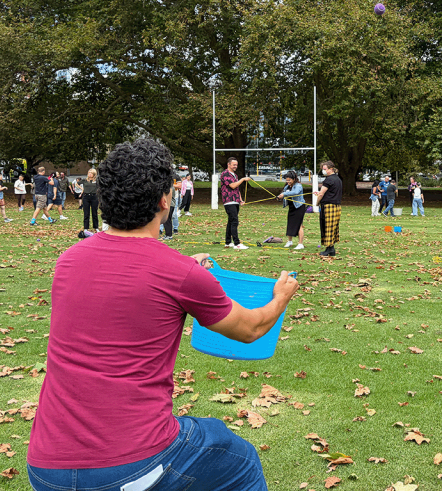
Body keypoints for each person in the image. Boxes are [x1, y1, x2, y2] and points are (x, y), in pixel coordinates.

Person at [26, 138, 299, 491]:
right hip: (130, 463)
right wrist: (280, 298)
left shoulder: (69, 260)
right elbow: (250, 329)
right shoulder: (180, 276)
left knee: (211, 439)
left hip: (46, 466)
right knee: (240, 458)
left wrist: (185, 268)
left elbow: (125, 276)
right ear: (164, 200)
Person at [220, 157, 252, 250]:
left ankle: (228, 242)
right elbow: (233, 186)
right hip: (228, 201)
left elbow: (237, 189)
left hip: (235, 200)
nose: (235, 166)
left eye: (236, 165)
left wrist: (240, 199)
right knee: (234, 221)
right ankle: (237, 243)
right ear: (228, 164)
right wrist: (243, 179)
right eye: (234, 165)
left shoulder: (234, 175)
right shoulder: (225, 174)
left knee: (231, 221)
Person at [314, 160, 342, 257]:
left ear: (331, 169)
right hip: (336, 206)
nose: (323, 171)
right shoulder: (338, 179)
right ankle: (331, 249)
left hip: (328, 206)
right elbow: (330, 192)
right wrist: (320, 193)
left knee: (327, 227)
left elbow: (321, 194)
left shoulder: (328, 180)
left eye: (325, 169)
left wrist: (317, 203)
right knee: (333, 227)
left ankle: (328, 249)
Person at [277, 170, 306, 249]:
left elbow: (295, 192)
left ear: (294, 179)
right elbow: (284, 193)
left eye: (289, 180)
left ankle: (300, 244)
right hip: (292, 207)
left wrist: (284, 194)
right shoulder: (287, 186)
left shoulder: (298, 186)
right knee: (290, 224)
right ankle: (290, 241)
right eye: (286, 180)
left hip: (299, 207)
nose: (288, 182)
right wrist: (279, 197)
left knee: (299, 225)